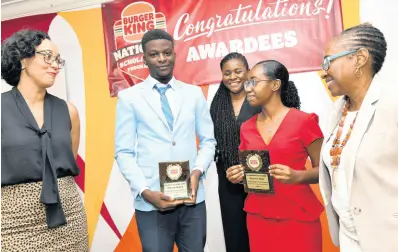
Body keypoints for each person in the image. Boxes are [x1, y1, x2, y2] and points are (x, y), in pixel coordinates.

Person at [114, 29, 216, 252]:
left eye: (167, 52)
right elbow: (123, 152)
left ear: (174, 54)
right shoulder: (129, 98)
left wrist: (198, 171)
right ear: (144, 58)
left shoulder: (193, 94)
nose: (162, 59)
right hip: (152, 202)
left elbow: (209, 141)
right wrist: (144, 191)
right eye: (154, 54)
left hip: (192, 200)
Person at [1, 29, 88, 251]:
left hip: (69, 218)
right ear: (23, 59)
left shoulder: (69, 111)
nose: (55, 65)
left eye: (58, 59)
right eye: (47, 56)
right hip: (12, 223)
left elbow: (69, 160)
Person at [227, 60, 324, 252]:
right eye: (247, 83)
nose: (248, 89)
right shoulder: (246, 128)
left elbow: (326, 171)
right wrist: (237, 176)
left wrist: (299, 176)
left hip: (298, 216)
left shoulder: (304, 121)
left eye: (253, 81)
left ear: (275, 85)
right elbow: (251, 171)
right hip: (259, 217)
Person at [319, 23, 397, 252]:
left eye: (328, 61)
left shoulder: (393, 103)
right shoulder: (336, 111)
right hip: (349, 237)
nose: (324, 71)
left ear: (359, 58)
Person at [210, 52, 260, 252]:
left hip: (260, 175)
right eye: (227, 73)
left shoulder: (260, 97)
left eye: (238, 71)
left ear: (248, 72)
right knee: (235, 232)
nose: (233, 77)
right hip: (229, 176)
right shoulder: (217, 104)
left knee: (262, 231)